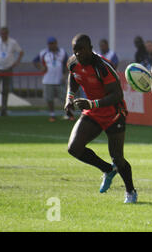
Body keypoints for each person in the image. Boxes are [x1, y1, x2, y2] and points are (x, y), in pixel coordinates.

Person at [64, 34, 137, 204]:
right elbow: (73, 77)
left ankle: (131, 192)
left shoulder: (102, 67)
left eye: (82, 50)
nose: (79, 54)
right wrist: (69, 97)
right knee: (74, 148)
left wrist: (91, 103)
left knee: (117, 158)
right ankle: (107, 170)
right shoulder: (73, 62)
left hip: (114, 113)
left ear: (90, 49)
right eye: (76, 50)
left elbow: (117, 95)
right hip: (93, 112)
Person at [0, 27, 24, 116]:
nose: (3, 35)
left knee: (5, 90)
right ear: (0, 33)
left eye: (5, 33)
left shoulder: (12, 42)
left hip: (8, 67)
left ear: (7, 33)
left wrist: (16, 62)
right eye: (2, 33)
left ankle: (4, 110)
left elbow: (21, 52)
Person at [33, 37, 69, 122]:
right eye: (50, 44)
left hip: (60, 80)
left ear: (56, 43)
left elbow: (67, 64)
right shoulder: (43, 53)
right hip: (48, 80)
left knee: (65, 98)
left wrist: (65, 75)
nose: (51, 45)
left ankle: (68, 114)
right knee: (49, 99)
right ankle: (52, 115)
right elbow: (35, 61)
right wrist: (41, 67)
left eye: (53, 43)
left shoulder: (62, 52)